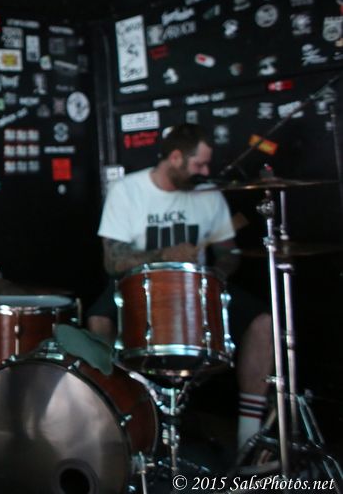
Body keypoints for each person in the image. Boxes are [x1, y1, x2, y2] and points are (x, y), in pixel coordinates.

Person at [86, 123, 273, 452]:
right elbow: (112, 262)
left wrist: (212, 279)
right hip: (139, 285)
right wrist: (163, 255)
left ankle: (248, 436)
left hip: (196, 287)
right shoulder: (127, 191)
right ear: (175, 158)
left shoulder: (208, 194)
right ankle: (120, 417)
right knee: (99, 320)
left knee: (264, 323)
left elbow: (229, 253)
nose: (206, 171)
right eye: (199, 164)